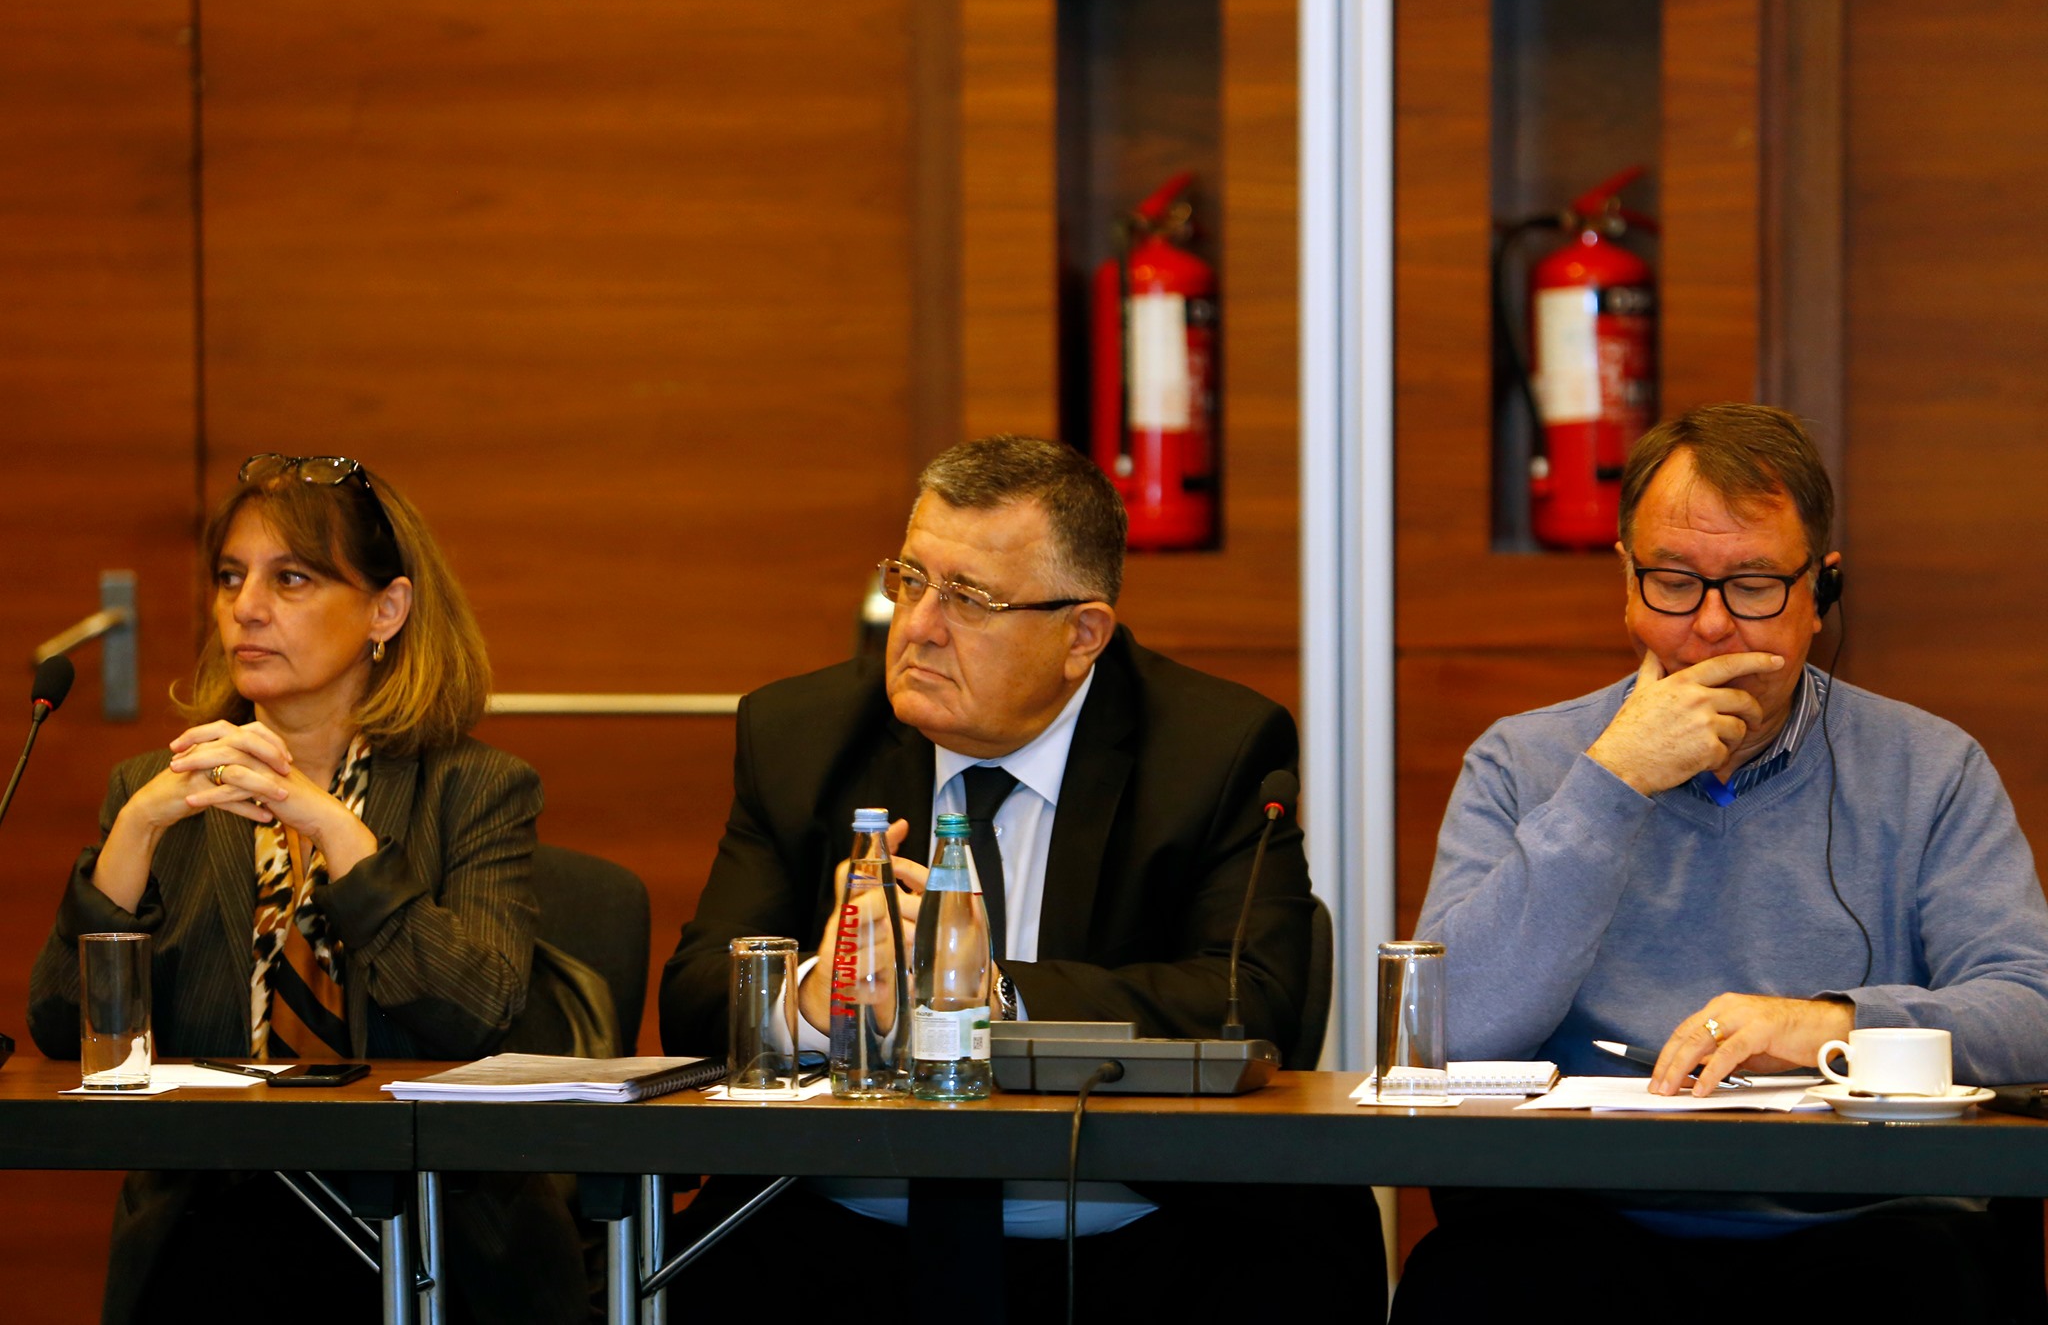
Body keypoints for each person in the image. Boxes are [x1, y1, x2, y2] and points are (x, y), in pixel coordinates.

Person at [659, 435, 1376, 1317]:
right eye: (911, 580)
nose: (918, 626)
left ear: (1082, 635)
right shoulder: (800, 736)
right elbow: (694, 999)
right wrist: (820, 993)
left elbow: (1249, 1002)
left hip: (1134, 1233)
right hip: (840, 1229)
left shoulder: (1215, 749)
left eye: (969, 599)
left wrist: (990, 996)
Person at [1394, 404, 2048, 1319]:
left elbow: (2030, 1008)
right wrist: (1613, 782)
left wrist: (1825, 1026)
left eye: (1753, 586)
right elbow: (1445, 1033)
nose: (1710, 626)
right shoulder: (1523, 761)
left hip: (1863, 1224)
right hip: (1585, 1222)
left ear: (1819, 594)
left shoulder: (1930, 768)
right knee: (1474, 1287)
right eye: (1673, 582)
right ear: (1626, 584)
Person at [28, 454, 590, 1325]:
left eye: (290, 579)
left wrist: (335, 830)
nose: (245, 608)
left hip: (429, 1226)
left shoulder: (475, 788)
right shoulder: (157, 789)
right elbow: (65, 1032)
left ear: (386, 610)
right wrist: (135, 832)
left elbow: (475, 1012)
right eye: (230, 577)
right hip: (212, 1231)